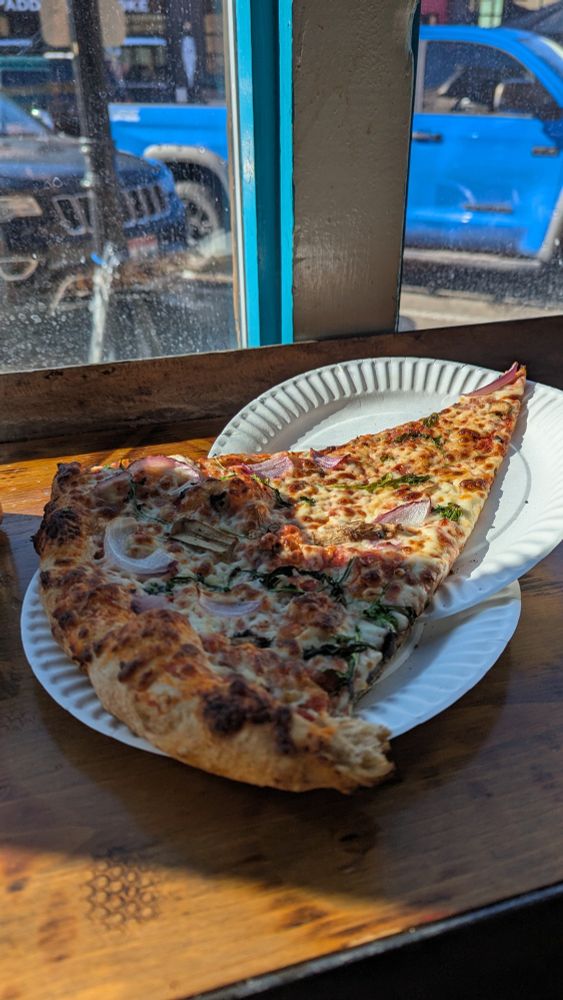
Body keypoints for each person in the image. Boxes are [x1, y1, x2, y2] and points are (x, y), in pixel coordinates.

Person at [181, 20, 197, 96]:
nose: (187, 28)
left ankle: (192, 91)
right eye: (186, 26)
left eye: (188, 26)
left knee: (191, 73)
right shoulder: (183, 38)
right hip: (186, 58)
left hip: (191, 58)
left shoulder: (192, 38)